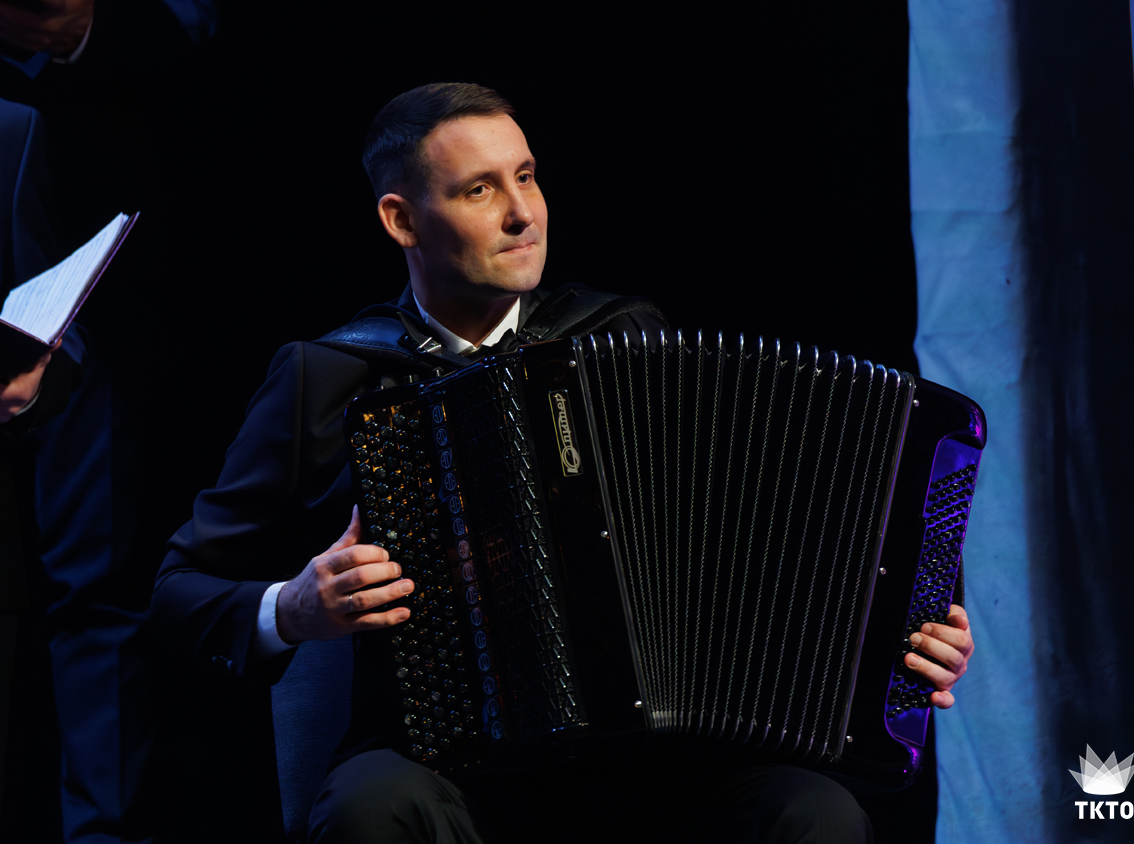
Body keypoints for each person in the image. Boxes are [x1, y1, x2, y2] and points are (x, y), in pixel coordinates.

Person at [153, 83, 975, 843]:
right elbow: (178, 594)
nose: (522, 214)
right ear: (401, 222)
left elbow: (758, 535)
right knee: (369, 808)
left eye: (526, 177)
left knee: (813, 812)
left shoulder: (622, 337)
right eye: (479, 190)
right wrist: (293, 608)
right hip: (449, 774)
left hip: (651, 768)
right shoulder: (328, 378)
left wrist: (901, 630)